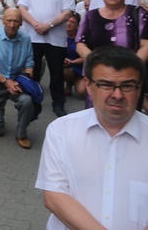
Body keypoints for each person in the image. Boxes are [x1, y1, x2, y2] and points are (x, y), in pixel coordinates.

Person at [35, 46, 148, 229]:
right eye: (106, 85)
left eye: (127, 86)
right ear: (88, 85)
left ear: (139, 86)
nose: (117, 95)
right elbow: (54, 196)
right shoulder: (61, 130)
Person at [76, 0, 148, 108]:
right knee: (97, 116)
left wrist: (130, 67)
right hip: (98, 77)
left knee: (127, 115)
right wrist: (95, 62)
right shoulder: (91, 15)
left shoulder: (138, 14)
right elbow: (81, 43)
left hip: (128, 78)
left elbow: (146, 45)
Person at [18, 0, 75, 117]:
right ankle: (32, 101)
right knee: (32, 72)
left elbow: (68, 12)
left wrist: (48, 25)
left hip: (55, 39)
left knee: (57, 73)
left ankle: (58, 104)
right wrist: (36, 24)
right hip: (32, 37)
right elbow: (22, 8)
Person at [0, 8, 36, 149]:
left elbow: (29, 64)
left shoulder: (26, 38)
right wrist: (5, 81)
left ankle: (21, 133)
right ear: (3, 20)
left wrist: (26, 81)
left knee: (27, 101)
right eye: (9, 20)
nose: (12, 24)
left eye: (16, 21)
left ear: (21, 23)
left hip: (15, 82)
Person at [62, 13, 85, 99]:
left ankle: (76, 82)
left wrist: (73, 62)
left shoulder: (81, 38)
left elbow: (85, 57)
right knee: (68, 71)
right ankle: (68, 85)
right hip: (65, 67)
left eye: (72, 22)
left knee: (82, 92)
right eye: (67, 21)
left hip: (79, 67)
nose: (68, 24)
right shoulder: (59, 36)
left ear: (78, 26)